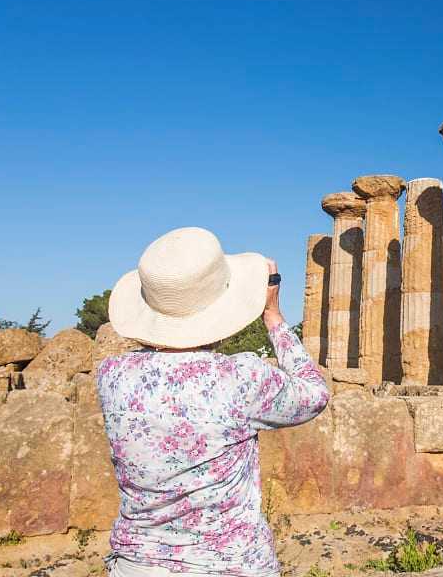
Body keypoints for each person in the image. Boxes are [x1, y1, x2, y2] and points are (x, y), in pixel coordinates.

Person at [97, 226, 330, 576]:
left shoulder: (112, 375)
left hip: (137, 565)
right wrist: (272, 315)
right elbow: (314, 394)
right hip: (228, 565)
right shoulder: (242, 378)